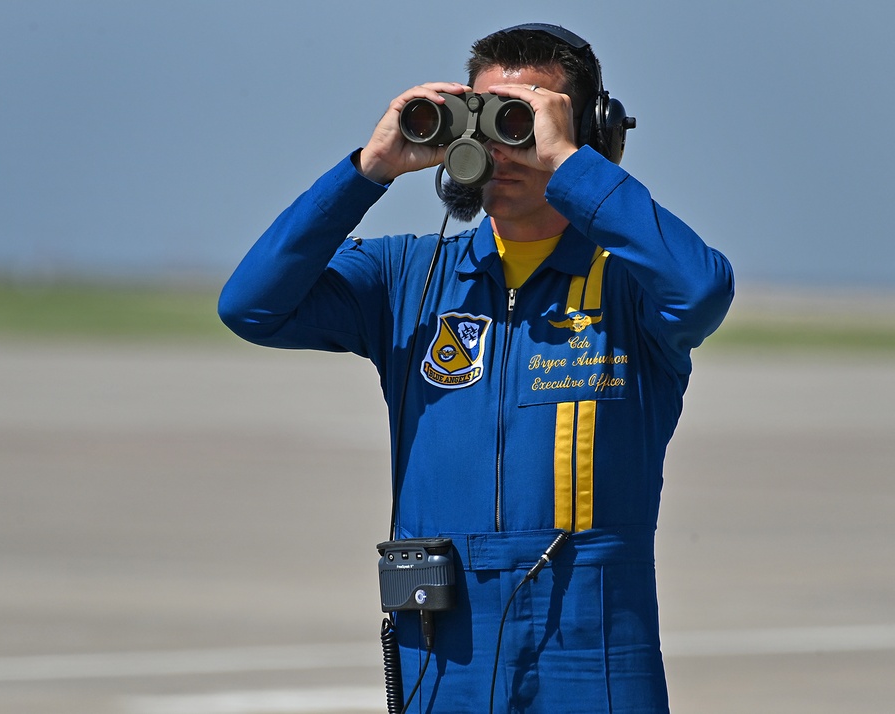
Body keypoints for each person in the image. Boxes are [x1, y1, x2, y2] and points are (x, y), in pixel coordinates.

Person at [219, 22, 734, 714]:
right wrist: (368, 169)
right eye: (488, 117)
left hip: (590, 645)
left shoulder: (632, 289)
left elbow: (701, 291)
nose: (504, 145)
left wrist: (574, 167)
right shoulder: (409, 277)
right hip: (443, 643)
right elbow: (251, 307)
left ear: (587, 134)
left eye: (525, 121)